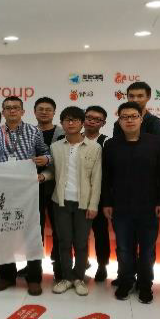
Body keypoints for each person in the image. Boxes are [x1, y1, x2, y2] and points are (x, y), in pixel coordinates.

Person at [102, 101, 160, 304]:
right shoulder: (111, 145)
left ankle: (145, 284)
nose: (129, 120)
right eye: (125, 117)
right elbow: (105, 177)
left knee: (147, 250)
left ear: (141, 119)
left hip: (149, 206)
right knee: (124, 248)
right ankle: (126, 281)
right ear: (119, 121)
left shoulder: (156, 143)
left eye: (134, 116)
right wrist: (107, 202)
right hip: (120, 207)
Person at [0, 96, 51, 296]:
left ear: (23, 111)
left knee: (33, 235)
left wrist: (45, 159)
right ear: (3, 112)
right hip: (3, 192)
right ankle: (6, 276)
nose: (12, 111)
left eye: (16, 108)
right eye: (8, 108)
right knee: (3, 234)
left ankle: (34, 278)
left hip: (28, 191)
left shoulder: (34, 131)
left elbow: (46, 153)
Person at [43, 106, 101, 296]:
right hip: (60, 202)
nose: (71, 123)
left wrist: (93, 205)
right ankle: (66, 278)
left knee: (81, 243)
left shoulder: (94, 147)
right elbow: (53, 172)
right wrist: (43, 176)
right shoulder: (56, 146)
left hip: (83, 203)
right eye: (67, 120)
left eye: (75, 120)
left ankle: (79, 278)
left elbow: (97, 178)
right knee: (64, 242)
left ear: (82, 123)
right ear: (61, 123)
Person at [29, 97, 64, 281]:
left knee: (59, 229)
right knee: (34, 230)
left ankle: (59, 267)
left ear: (54, 112)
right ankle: (33, 268)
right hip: (31, 188)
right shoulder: (27, 132)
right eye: (40, 109)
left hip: (57, 187)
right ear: (34, 112)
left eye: (48, 109)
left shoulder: (63, 132)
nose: (44, 112)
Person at [82, 105, 111, 282]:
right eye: (89, 117)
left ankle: (102, 265)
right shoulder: (73, 139)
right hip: (77, 194)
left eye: (97, 119)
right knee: (79, 233)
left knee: (100, 233)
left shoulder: (107, 142)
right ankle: (82, 262)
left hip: (99, 195)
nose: (92, 121)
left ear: (103, 123)